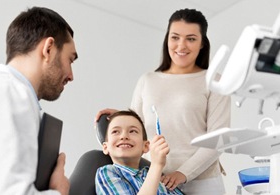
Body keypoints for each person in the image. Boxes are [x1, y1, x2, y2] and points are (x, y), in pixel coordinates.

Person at [95, 8, 230, 194]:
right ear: (167, 39)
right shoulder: (147, 80)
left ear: (202, 44)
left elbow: (218, 139)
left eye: (191, 38)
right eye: (175, 37)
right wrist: (120, 117)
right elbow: (138, 129)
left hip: (202, 182)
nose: (181, 45)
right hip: (156, 180)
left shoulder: (214, 81)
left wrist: (183, 173)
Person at [0, 7, 78, 195]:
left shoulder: (2, 93)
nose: (71, 76)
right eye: (70, 60)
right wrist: (59, 191)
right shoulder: (7, 94)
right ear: (48, 49)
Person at [95, 110, 184, 195]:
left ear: (145, 146)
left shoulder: (155, 176)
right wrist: (156, 165)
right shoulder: (108, 173)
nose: (124, 136)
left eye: (132, 131)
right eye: (115, 131)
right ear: (106, 147)